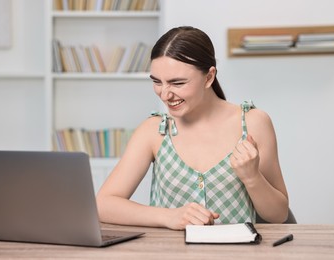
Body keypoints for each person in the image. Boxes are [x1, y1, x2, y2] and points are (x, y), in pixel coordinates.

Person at [96, 26, 289, 230]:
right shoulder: (154, 131)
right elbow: (104, 204)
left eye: (177, 83)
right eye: (157, 82)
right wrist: (168, 217)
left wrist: (252, 177)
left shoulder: (253, 123)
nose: (164, 95)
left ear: (209, 77)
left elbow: (278, 215)